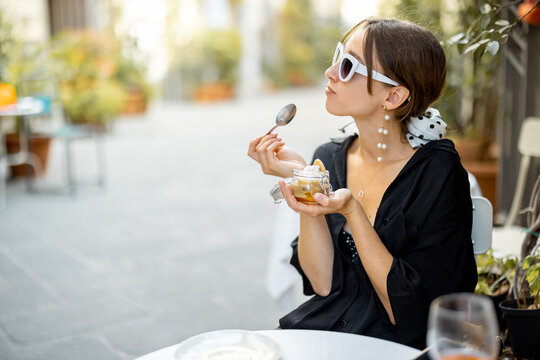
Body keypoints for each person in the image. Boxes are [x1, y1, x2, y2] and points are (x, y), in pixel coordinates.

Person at [247, 17, 477, 349]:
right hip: (327, 335)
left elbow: (411, 315)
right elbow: (322, 283)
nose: (330, 71)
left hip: (402, 346)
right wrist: (304, 178)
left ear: (393, 96)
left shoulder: (437, 172)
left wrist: (354, 213)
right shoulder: (328, 156)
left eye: (348, 65)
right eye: (338, 55)